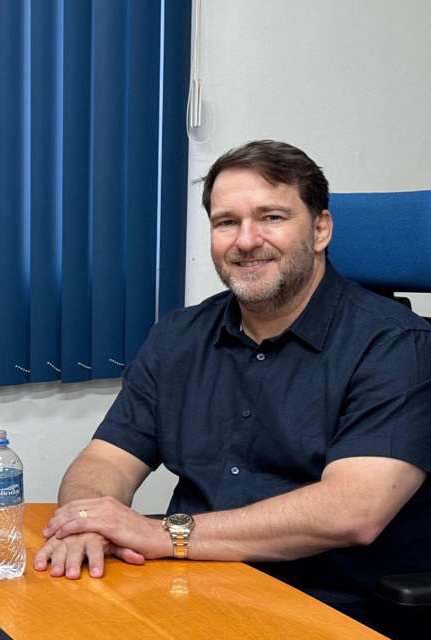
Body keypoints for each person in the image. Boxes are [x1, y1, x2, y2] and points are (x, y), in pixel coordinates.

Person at [33, 140, 431, 638]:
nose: (246, 241)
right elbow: (107, 461)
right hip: (186, 590)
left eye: (271, 217)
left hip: (330, 610)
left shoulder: (398, 346)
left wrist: (163, 535)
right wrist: (89, 519)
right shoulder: (179, 336)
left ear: (321, 229)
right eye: (226, 222)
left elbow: (354, 511)